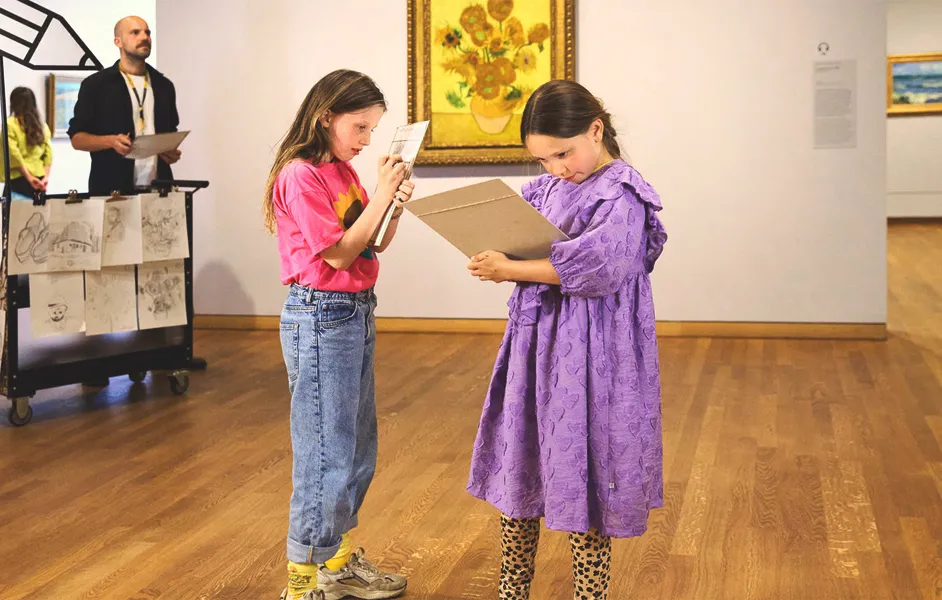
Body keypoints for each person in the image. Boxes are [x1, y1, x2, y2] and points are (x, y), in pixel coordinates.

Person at [465, 80, 668, 600]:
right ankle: (512, 589)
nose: (556, 167)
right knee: (523, 454)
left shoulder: (621, 194)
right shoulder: (551, 187)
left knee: (588, 457)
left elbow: (598, 268)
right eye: (543, 159)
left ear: (596, 130)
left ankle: (589, 593)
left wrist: (511, 268)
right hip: (537, 342)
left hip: (593, 349)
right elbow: (523, 236)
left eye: (563, 153)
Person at [264, 69, 414, 600]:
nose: (367, 139)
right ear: (326, 116)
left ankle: (337, 562)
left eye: (373, 129)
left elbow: (374, 243)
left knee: (356, 450)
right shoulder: (300, 175)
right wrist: (382, 194)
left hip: (355, 311)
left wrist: (392, 203)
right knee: (325, 454)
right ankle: (302, 582)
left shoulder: (342, 171)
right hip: (321, 316)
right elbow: (338, 254)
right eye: (360, 126)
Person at [68, 15, 206, 374]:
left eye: (147, 32)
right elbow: (77, 137)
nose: (144, 37)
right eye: (135, 32)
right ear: (118, 41)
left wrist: (169, 152)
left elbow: (169, 132)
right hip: (111, 194)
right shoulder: (97, 85)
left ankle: (160, 354)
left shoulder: (164, 85)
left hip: (158, 194)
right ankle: (98, 364)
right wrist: (108, 142)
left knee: (160, 272)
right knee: (107, 275)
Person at [3, 87, 53, 200]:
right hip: (40, 180)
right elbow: (48, 153)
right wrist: (45, 178)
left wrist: (29, 178)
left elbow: (13, 154)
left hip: (18, 180)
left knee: (15, 212)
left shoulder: (10, 124)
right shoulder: (42, 126)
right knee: (39, 211)